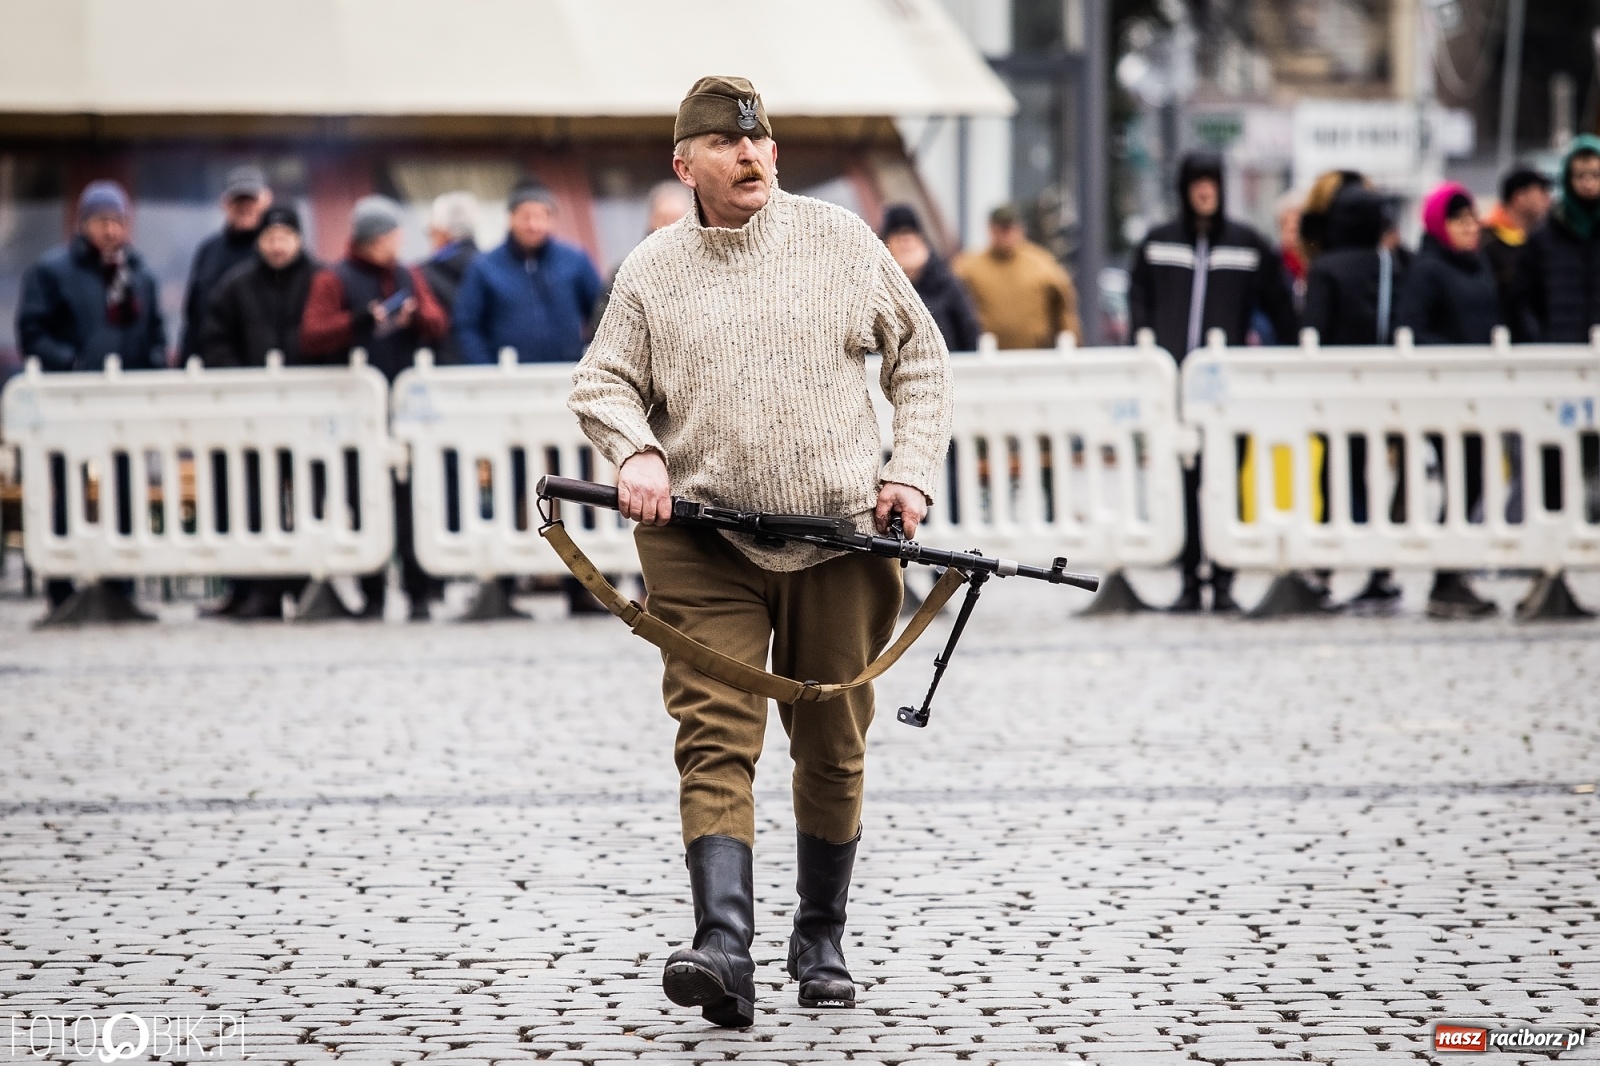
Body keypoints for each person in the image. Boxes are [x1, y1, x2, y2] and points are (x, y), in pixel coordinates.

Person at [568, 75, 952, 1028]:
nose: (749, 155)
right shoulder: (653, 269)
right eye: (726, 144)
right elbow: (602, 382)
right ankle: (723, 947)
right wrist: (637, 451)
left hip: (841, 540)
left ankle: (819, 937)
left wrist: (908, 473)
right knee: (715, 735)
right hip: (703, 546)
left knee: (833, 745)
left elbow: (921, 358)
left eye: (760, 142)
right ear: (684, 164)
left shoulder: (840, 242)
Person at [1128, 150, 1299, 613]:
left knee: (1227, 483)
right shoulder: (1158, 243)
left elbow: (1281, 305)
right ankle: (1189, 580)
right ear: (1184, 188)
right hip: (1174, 390)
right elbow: (1138, 299)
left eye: (1212, 181)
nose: (1205, 190)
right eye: (1197, 182)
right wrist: (1145, 351)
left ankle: (1224, 580)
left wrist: (1293, 355)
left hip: (1226, 394)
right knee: (1183, 485)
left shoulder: (1247, 245)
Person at [15, 179, 167, 610]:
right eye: (101, 221)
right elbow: (32, 332)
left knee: (126, 491)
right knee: (66, 491)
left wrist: (152, 366)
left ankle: (122, 587)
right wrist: (73, 365)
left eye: (117, 221)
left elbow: (154, 331)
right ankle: (62, 589)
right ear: (82, 224)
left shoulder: (139, 274)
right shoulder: (52, 271)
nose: (110, 230)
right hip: (70, 403)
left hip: (125, 405)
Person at [300, 195, 447, 621]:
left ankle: (418, 593)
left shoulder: (408, 274)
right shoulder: (334, 278)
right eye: (392, 235)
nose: (399, 242)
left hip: (403, 409)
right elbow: (312, 335)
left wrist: (415, 317)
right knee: (362, 498)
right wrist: (361, 321)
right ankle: (373, 595)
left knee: (411, 500)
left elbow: (438, 322)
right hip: (355, 412)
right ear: (374, 239)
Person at [193, 203, 319, 620]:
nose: (278, 245)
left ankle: (304, 583)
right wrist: (244, 383)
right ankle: (254, 588)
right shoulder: (236, 285)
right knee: (251, 502)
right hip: (250, 417)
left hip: (307, 414)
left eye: (285, 237)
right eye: (270, 237)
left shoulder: (320, 280)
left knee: (309, 500)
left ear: (299, 239)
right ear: (259, 242)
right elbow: (213, 341)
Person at [1395, 182, 1501, 619]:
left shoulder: (1478, 265)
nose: (1469, 227)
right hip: (1443, 394)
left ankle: (1453, 570)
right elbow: (1411, 327)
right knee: (1460, 480)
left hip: (1479, 393)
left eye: (1472, 219)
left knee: (1473, 481)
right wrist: (1459, 353)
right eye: (1458, 220)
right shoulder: (1428, 270)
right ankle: (1446, 575)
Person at [1302, 183, 1408, 609]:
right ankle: (1380, 570)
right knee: (1376, 478)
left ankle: (1325, 570)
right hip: (1386, 390)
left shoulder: (1327, 268)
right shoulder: (1392, 265)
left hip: (1337, 392)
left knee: (1335, 477)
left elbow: (1312, 332)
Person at [453, 181, 602, 365]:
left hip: (569, 371)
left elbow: (602, 314)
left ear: (551, 220)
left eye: (541, 216)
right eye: (526, 217)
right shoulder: (484, 266)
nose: (533, 225)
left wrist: (593, 361)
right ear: (511, 217)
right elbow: (467, 324)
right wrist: (486, 369)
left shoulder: (575, 260)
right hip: (508, 375)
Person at [953, 204, 1080, 349]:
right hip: (985, 354)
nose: (1006, 234)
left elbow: (1064, 308)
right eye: (1001, 229)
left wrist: (1072, 344)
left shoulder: (1042, 264)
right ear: (990, 229)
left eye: (1009, 228)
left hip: (1034, 355)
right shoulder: (969, 267)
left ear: (1020, 229)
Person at [1514, 136, 1600, 343]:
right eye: (1580, 175)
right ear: (1568, 179)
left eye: (1595, 175)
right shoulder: (1543, 237)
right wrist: (1539, 340)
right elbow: (1522, 298)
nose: (1588, 183)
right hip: (1558, 352)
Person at [181, 165, 273, 359]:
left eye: (251, 199)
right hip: (212, 364)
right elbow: (193, 316)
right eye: (238, 200)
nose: (245, 206)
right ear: (224, 203)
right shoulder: (208, 251)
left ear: (266, 200)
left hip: (264, 367)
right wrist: (186, 363)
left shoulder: (278, 253)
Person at [881, 204, 980, 353]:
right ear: (886, 244)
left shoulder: (945, 283)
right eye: (898, 235)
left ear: (921, 238)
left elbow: (968, 332)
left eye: (910, 233)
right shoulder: (875, 287)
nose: (905, 241)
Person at [1482, 165, 1551, 335]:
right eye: (1541, 190)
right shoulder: (1485, 243)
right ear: (1519, 197)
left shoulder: (1540, 242)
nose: (1548, 197)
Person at [419, 191, 480, 364]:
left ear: (444, 233)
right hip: (487, 365)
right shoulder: (492, 268)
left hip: (438, 366)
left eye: (431, 232)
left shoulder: (421, 274)